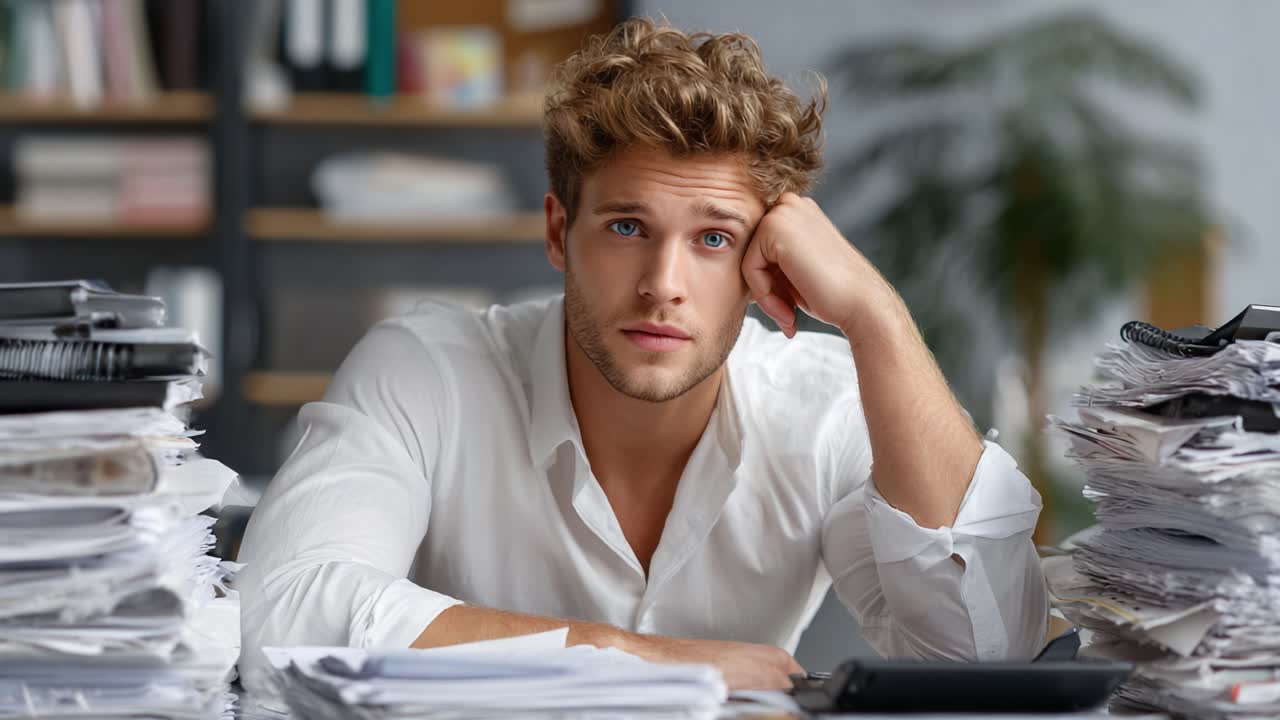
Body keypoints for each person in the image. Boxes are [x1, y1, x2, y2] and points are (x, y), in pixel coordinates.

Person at [237, 17, 1049, 691]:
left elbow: (986, 657)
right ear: (559, 231)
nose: (664, 284)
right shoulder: (425, 371)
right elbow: (285, 612)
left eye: (714, 239)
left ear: (766, 258)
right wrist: (640, 659)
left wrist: (876, 316)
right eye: (627, 227)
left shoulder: (824, 407)